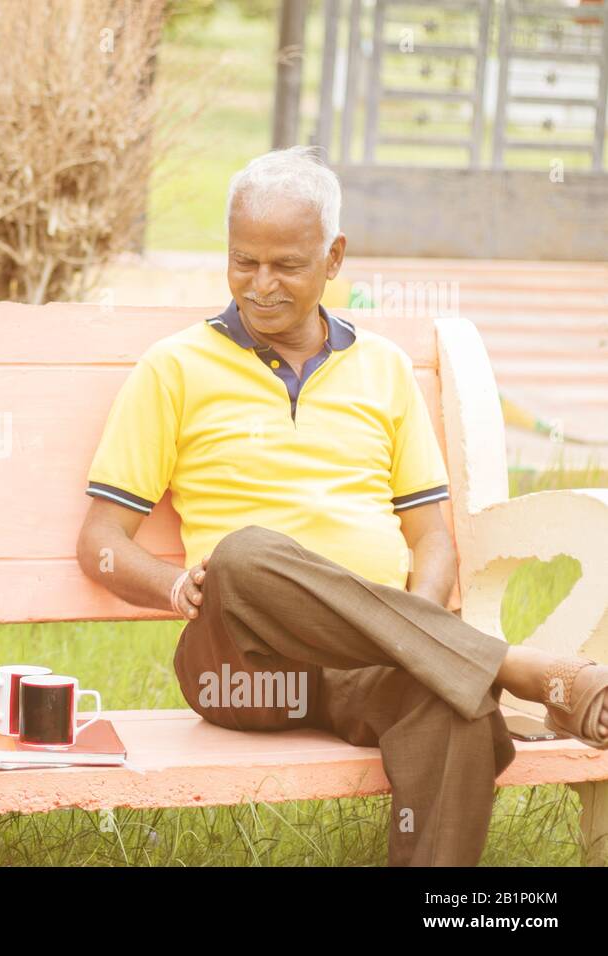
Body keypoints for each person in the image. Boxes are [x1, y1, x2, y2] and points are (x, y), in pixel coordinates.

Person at [75, 145, 608, 866]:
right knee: (244, 553)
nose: (259, 286)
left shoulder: (383, 369)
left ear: (334, 258)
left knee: (455, 708)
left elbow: (432, 539)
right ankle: (526, 669)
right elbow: (101, 540)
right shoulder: (174, 367)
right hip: (244, 667)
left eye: (285, 265)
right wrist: (174, 585)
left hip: (368, 664)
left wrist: (414, 641)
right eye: (243, 262)